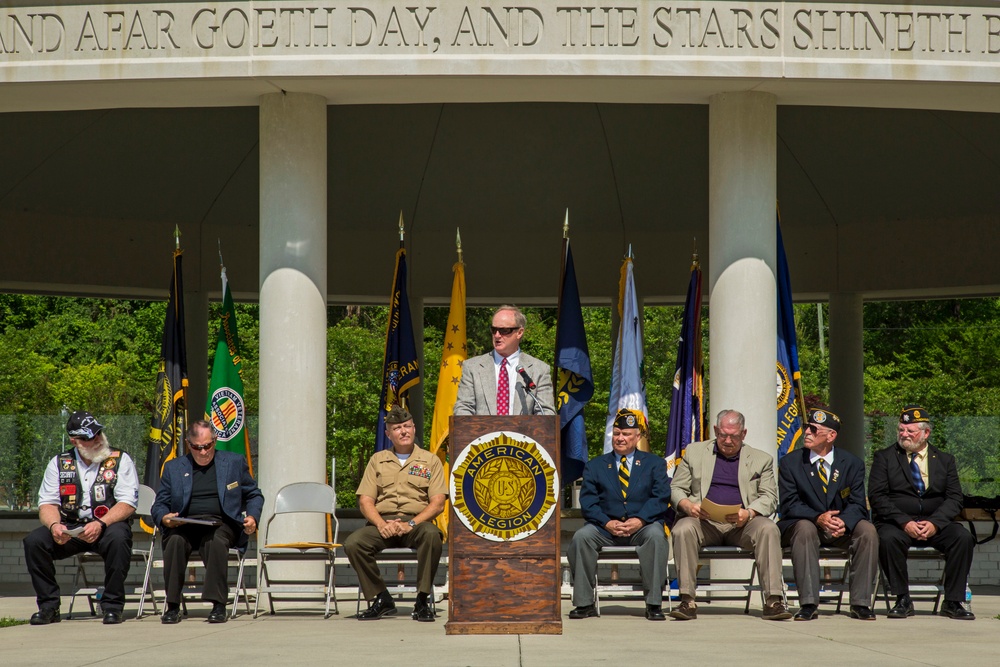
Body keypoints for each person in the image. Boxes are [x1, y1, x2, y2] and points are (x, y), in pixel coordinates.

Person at [669, 409, 790, 621]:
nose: (727, 440)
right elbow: (675, 488)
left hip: (742, 525)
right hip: (703, 522)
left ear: (743, 434)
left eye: (734, 436)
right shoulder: (695, 452)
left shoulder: (761, 459)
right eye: (723, 434)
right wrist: (688, 505)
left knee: (769, 529)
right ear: (716, 430)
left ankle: (773, 601)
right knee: (683, 528)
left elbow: (770, 497)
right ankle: (687, 600)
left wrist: (750, 512)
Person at [23, 411, 139, 625]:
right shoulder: (59, 463)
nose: (96, 440)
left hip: (107, 525)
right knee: (34, 542)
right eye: (87, 437)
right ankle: (49, 606)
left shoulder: (120, 459)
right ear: (74, 440)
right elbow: (47, 503)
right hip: (71, 526)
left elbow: (127, 503)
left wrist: (101, 523)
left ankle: (112, 606)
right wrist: (54, 525)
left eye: (97, 433)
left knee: (119, 538)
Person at [868, 405, 975, 620]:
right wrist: (904, 521)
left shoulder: (945, 460)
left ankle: (953, 601)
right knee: (888, 539)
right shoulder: (885, 457)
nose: (904, 435)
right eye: (901, 430)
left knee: (962, 537)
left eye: (910, 431)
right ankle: (902, 598)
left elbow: (955, 498)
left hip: (934, 523)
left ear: (926, 433)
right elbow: (877, 496)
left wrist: (935, 523)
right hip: (896, 523)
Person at [151, 420, 263, 624]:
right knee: (174, 541)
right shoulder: (174, 467)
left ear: (215, 440)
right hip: (184, 524)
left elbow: (254, 494)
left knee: (216, 540)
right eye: (197, 447)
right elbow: (160, 504)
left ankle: (218, 605)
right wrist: (165, 518)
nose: (203, 452)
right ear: (188, 444)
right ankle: (173, 606)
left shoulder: (233, 462)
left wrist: (252, 517)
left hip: (220, 523)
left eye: (207, 446)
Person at [345, 405, 446, 621]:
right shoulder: (377, 460)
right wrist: (381, 524)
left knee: (432, 536)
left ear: (414, 428)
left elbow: (438, 503)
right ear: (388, 434)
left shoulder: (430, 460)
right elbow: (365, 501)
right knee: (353, 543)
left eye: (407, 426)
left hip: (416, 525)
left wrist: (410, 524)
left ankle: (422, 600)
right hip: (383, 525)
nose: (403, 431)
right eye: (397, 428)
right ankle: (381, 598)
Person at [568, 409, 671, 621]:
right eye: (616, 433)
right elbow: (588, 502)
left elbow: (661, 497)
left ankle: (653, 604)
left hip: (642, 526)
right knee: (581, 538)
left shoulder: (654, 464)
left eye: (626, 434)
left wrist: (640, 520)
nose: (620, 438)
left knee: (656, 536)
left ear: (637, 437)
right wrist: (607, 522)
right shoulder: (595, 465)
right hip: (604, 528)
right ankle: (584, 603)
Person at [778, 408, 878, 621]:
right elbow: (789, 505)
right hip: (804, 525)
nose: (807, 433)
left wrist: (844, 521)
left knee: (867, 530)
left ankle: (860, 603)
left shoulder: (852, 464)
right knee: (804, 529)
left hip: (838, 527)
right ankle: (808, 603)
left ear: (831, 436)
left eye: (814, 430)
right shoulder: (791, 463)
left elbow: (858, 504)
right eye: (807, 427)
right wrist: (818, 518)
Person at [453, 305, 555, 416]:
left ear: (519, 332)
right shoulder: (472, 367)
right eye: (494, 330)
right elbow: (462, 409)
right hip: (482, 433)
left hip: (523, 433)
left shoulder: (539, 369)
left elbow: (546, 413)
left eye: (504, 330)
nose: (497, 335)